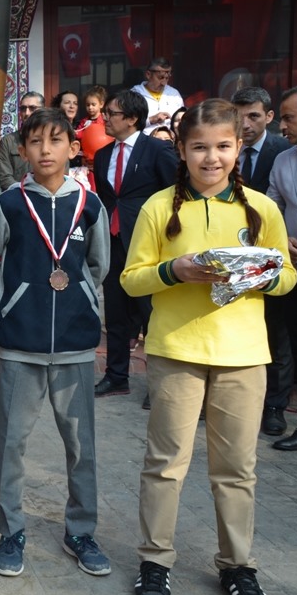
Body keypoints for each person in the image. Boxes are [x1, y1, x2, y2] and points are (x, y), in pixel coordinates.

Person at [121, 99, 296, 595]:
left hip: (244, 355)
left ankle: (237, 566)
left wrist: (261, 275)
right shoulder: (158, 207)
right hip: (176, 351)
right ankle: (155, 559)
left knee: (237, 469)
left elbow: (287, 276)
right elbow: (132, 279)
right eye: (199, 147)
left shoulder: (260, 208)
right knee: (165, 465)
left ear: (239, 147)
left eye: (222, 146)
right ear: (181, 149)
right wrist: (174, 270)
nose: (211, 158)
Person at [0, 108, 111, 579]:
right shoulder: (10, 204)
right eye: (35, 142)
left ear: (73, 147)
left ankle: (80, 531)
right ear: (22, 150)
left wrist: (81, 296)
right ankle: (11, 531)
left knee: (81, 446)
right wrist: (14, 298)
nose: (45, 150)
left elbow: (98, 266)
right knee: (12, 444)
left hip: (75, 345)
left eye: (55, 141)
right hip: (20, 346)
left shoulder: (89, 204)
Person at [92, 90, 178, 398]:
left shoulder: (157, 150)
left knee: (150, 314)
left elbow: (175, 194)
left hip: (147, 244)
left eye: (111, 113)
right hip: (113, 242)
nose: (105, 118)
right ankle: (116, 376)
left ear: (131, 118)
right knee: (115, 314)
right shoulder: (102, 155)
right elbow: (107, 198)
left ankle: (159, 383)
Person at [231, 87, 293, 437]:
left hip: (274, 254)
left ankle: (274, 406)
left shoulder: (283, 151)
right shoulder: (226, 149)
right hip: (231, 258)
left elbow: (278, 203)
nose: (245, 123)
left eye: (253, 116)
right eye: (239, 116)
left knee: (276, 333)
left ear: (269, 117)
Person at [266, 85, 297, 451]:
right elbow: (272, 206)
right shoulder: (283, 160)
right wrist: (283, 240)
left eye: (289, 117)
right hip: (294, 266)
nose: (283, 126)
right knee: (296, 343)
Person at [0, 92, 44, 191]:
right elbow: (5, 179)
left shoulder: (52, 141)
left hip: (46, 196)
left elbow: (61, 175)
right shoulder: (8, 142)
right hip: (18, 196)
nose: (27, 113)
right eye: (23, 109)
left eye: (32, 108)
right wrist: (27, 192)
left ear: (43, 111)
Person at [131, 57, 184, 135]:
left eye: (167, 78)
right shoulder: (135, 94)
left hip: (170, 140)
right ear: (148, 74)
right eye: (160, 78)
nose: (164, 83)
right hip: (144, 140)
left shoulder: (174, 94)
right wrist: (151, 120)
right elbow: (127, 124)